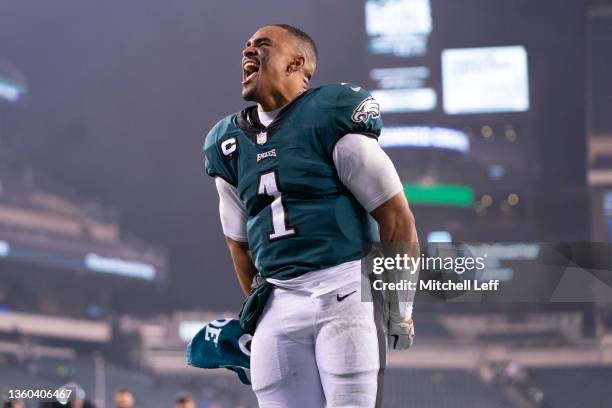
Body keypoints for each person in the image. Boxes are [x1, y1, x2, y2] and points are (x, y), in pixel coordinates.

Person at [203, 24, 418, 407]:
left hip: (344, 289)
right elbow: (238, 245)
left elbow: (397, 218)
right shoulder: (228, 143)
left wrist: (400, 305)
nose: (247, 51)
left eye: (262, 45)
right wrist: (260, 310)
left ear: (295, 62)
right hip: (278, 299)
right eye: (247, 46)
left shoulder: (330, 115)